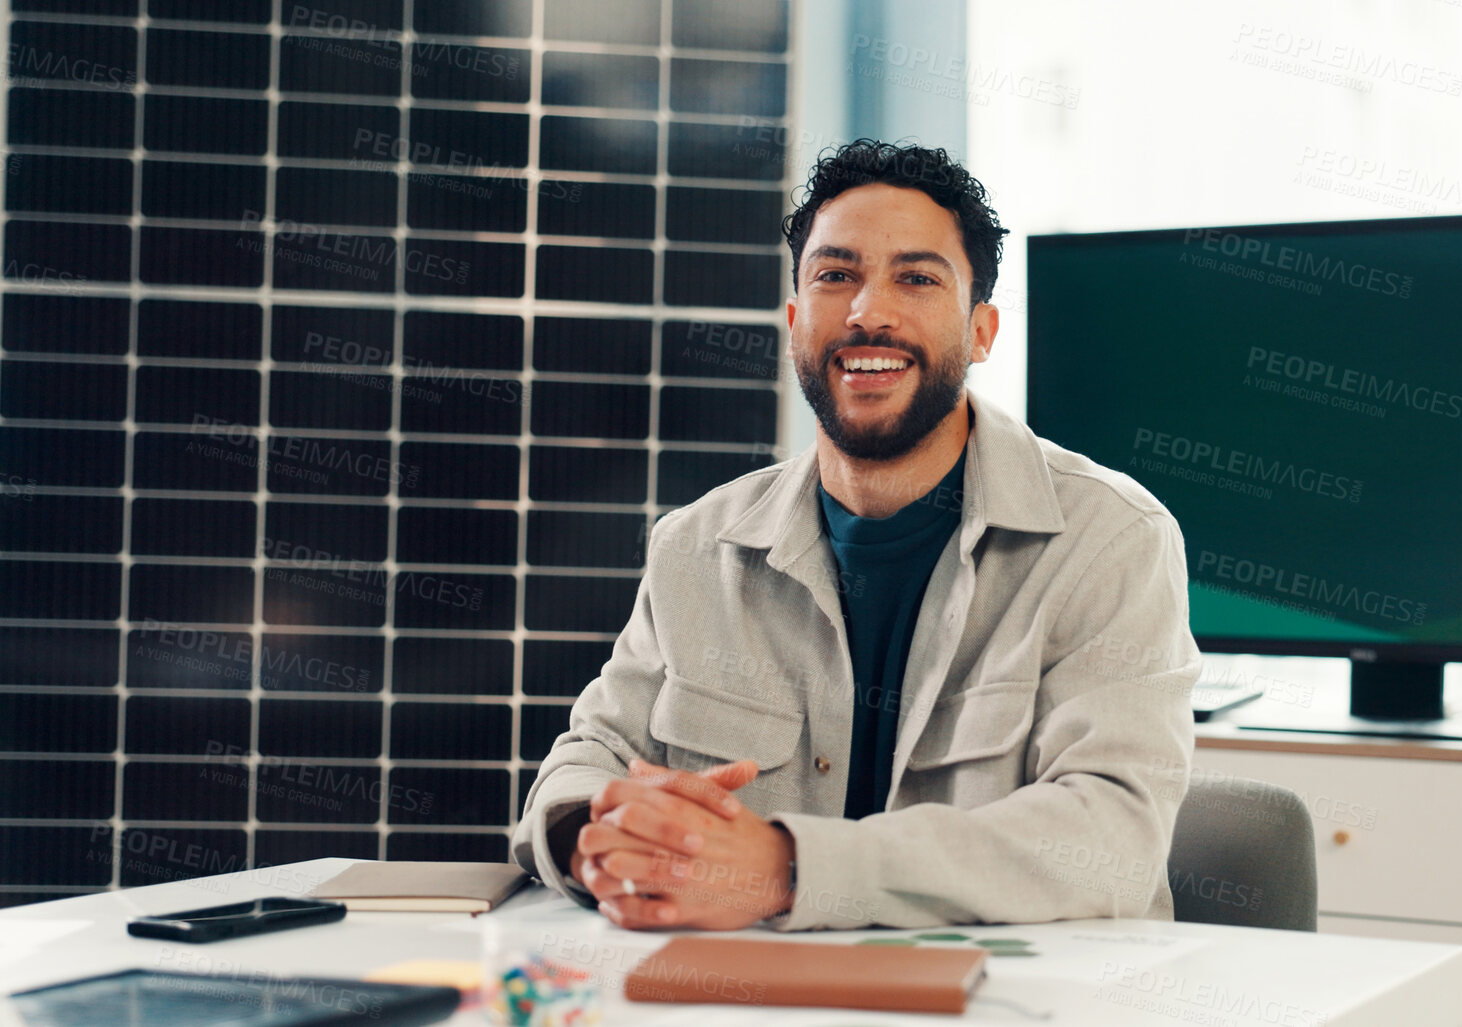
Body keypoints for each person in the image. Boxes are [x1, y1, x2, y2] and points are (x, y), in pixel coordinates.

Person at [511, 139, 1201, 931]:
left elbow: (1111, 839)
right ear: (797, 320)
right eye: (836, 276)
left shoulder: (1112, 540)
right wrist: (592, 841)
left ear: (980, 331)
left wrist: (787, 867)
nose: (869, 311)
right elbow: (588, 759)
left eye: (916, 278)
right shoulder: (695, 547)